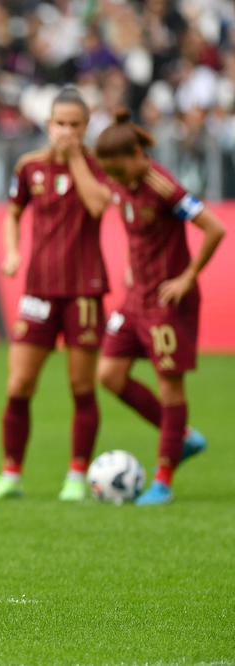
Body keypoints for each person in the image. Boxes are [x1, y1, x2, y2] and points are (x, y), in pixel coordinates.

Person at [0, 87, 112, 502]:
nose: (66, 131)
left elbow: (98, 206)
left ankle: (76, 475)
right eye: (60, 124)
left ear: (86, 128)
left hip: (84, 291)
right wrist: (13, 251)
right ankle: (11, 475)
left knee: (81, 386)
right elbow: (13, 214)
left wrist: (74, 159)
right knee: (19, 384)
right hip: (38, 289)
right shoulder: (29, 166)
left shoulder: (95, 165)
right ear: (48, 124)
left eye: (75, 125)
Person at [95, 109, 225, 505]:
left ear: (137, 154)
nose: (115, 180)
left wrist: (187, 277)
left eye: (119, 171)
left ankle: (163, 479)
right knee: (109, 375)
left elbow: (214, 228)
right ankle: (182, 438)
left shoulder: (162, 185)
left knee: (170, 388)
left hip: (169, 304)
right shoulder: (122, 183)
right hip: (135, 300)